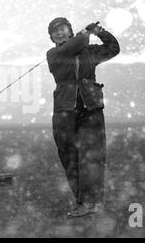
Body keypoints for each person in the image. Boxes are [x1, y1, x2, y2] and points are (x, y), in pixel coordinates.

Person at [46, 17, 120, 217]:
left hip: (91, 107)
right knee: (69, 155)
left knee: (93, 154)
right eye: (56, 31)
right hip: (64, 110)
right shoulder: (54, 54)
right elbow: (72, 46)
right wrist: (85, 34)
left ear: (70, 31)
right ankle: (83, 200)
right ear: (52, 38)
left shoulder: (90, 51)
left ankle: (92, 201)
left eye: (63, 29)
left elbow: (113, 48)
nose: (60, 33)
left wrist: (99, 31)